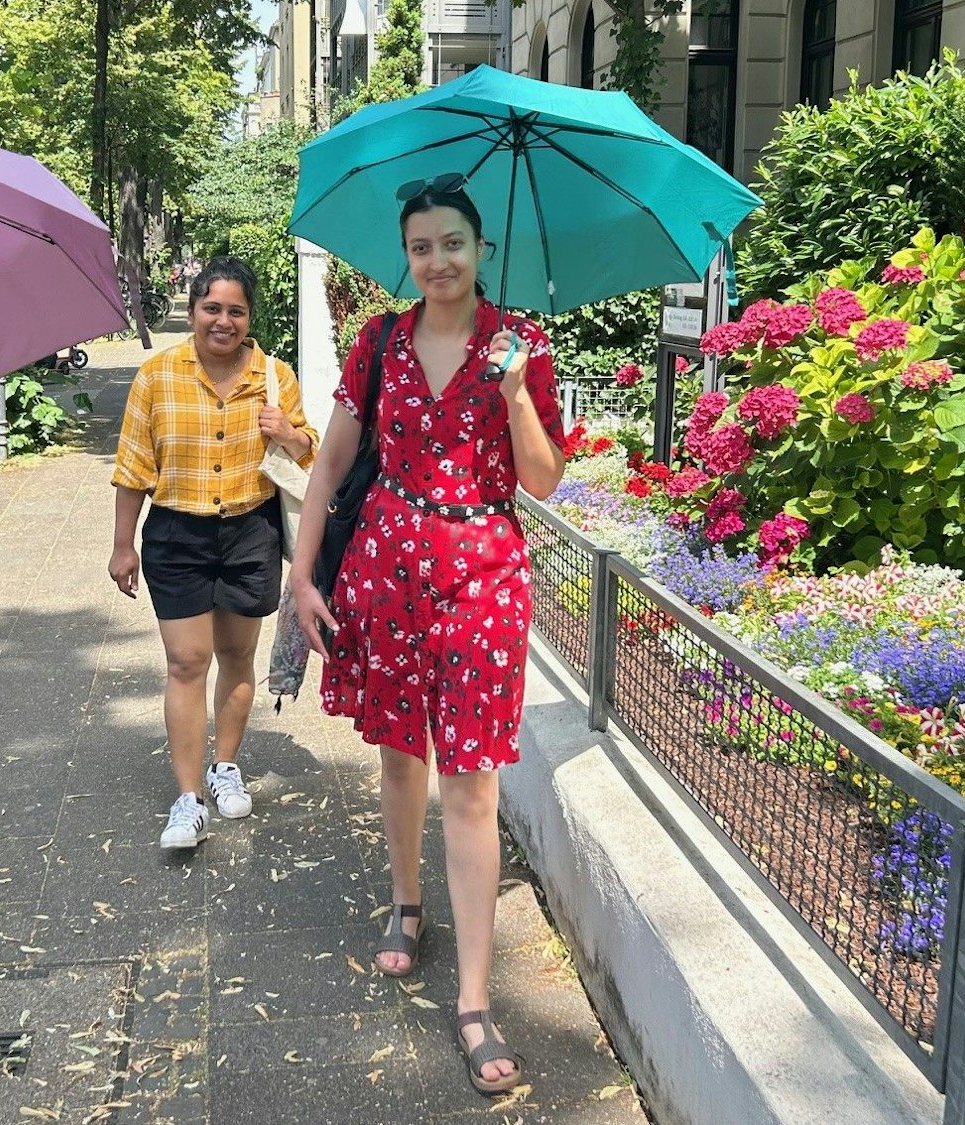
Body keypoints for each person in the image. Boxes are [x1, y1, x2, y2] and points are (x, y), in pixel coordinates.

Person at [287, 177, 565, 1097]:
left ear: (480, 249)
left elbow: (545, 481)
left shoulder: (520, 347)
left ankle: (477, 1002)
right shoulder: (378, 341)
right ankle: (409, 903)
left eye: (453, 242)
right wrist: (300, 573)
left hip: (484, 574)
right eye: (421, 246)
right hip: (386, 569)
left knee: (474, 787)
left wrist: (519, 394)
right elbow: (329, 465)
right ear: (406, 256)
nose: (437, 260)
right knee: (401, 757)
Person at [109, 256, 316, 852]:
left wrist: (289, 433)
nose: (223, 321)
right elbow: (133, 466)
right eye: (211, 308)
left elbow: (309, 456)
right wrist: (123, 544)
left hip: (251, 534)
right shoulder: (157, 376)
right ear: (194, 310)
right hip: (177, 534)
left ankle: (224, 766)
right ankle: (187, 797)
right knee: (185, 661)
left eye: (235, 310)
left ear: (250, 317)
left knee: (235, 655)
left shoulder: (274, 376)